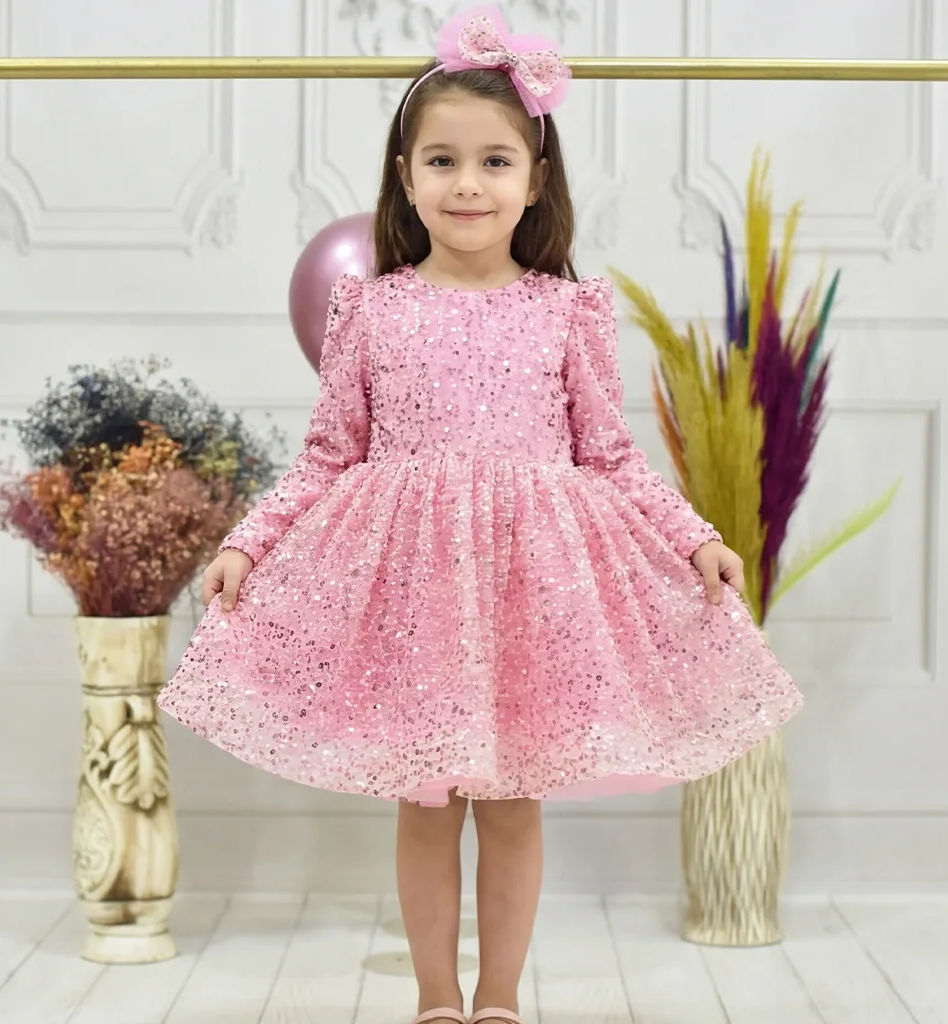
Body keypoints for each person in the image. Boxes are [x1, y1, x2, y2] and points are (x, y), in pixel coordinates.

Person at [157, 5, 803, 1023]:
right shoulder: (371, 308)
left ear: (534, 180)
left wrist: (695, 537)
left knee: (509, 804)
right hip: (414, 596)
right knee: (426, 804)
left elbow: (609, 456)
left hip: (526, 593)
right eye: (443, 161)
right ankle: (434, 997)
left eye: (495, 162)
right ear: (405, 177)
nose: (468, 183)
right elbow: (329, 454)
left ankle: (498, 998)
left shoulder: (567, 310)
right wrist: (250, 542)